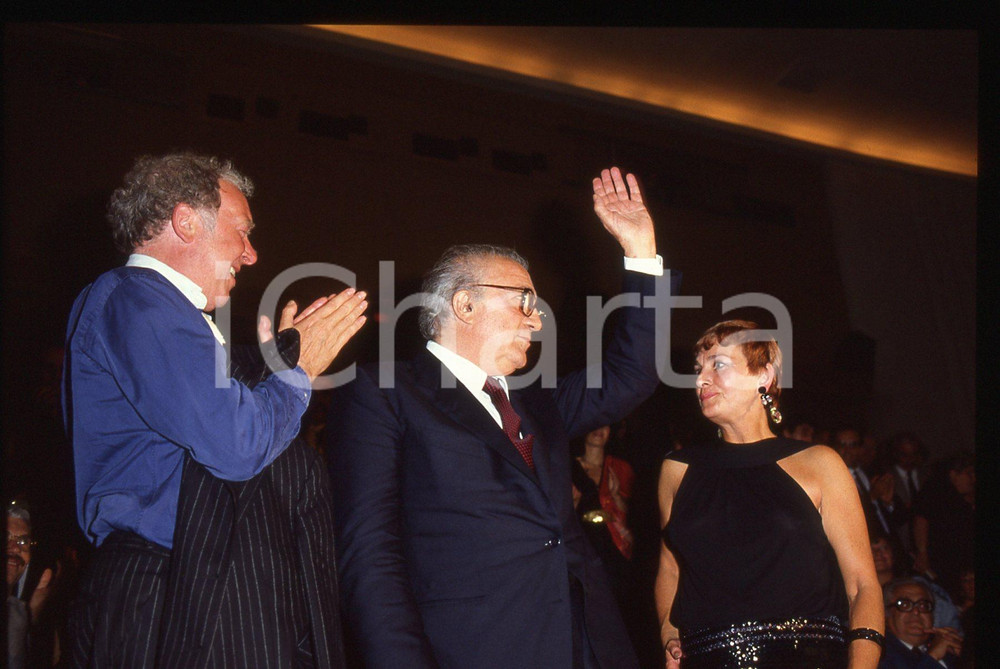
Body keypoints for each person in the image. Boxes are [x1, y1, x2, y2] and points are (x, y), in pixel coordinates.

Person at [327, 166, 675, 669]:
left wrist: (642, 252)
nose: (537, 320)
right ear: (465, 304)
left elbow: (632, 373)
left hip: (588, 646)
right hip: (476, 649)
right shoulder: (385, 393)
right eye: (524, 302)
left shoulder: (540, 403)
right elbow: (370, 556)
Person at [61, 152, 368, 668]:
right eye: (241, 231)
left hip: (201, 582)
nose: (250, 255)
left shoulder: (164, 314)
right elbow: (235, 442)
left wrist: (278, 363)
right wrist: (299, 372)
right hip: (165, 587)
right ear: (185, 221)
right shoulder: (137, 298)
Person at [655, 320, 884, 668]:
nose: (701, 379)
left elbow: (862, 585)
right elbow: (671, 569)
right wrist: (668, 631)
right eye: (698, 369)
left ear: (764, 375)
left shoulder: (819, 463)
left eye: (718, 364)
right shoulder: (677, 469)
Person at [571, 424, 635, 599]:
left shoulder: (621, 468)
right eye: (593, 422)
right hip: (581, 545)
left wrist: (615, 496)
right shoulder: (567, 467)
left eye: (604, 423)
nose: (598, 428)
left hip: (613, 549)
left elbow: (636, 517)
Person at [911, 451, 974, 598]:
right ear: (953, 475)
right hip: (944, 560)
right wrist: (922, 552)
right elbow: (921, 520)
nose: (973, 479)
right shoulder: (935, 492)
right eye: (969, 474)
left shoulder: (965, 497)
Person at [870, 532, 962, 631]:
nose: (878, 553)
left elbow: (948, 620)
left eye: (884, 548)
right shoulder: (855, 594)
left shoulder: (918, 586)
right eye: (871, 550)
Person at [879, 578, 962, 668]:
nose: (916, 611)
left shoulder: (946, 649)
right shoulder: (878, 652)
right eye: (905, 605)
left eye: (923, 605)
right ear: (886, 614)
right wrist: (933, 657)